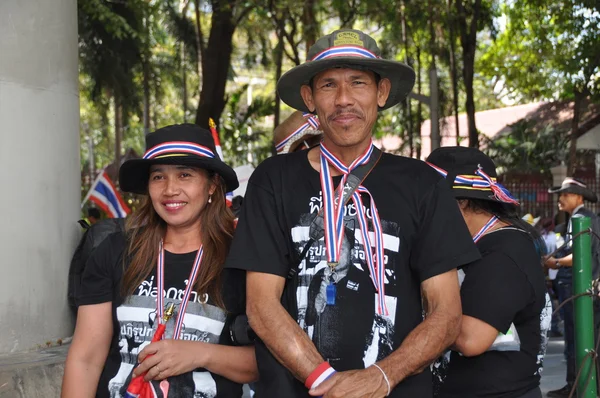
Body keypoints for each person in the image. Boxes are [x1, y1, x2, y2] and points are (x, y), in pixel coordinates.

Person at [226, 28, 481, 398]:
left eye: (358, 82)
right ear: (309, 98)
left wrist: (381, 376)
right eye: (328, 85)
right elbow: (261, 305)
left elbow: (446, 312)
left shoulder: (422, 183)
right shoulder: (273, 179)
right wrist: (326, 383)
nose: (344, 99)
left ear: (381, 93)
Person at [62, 124, 257, 398]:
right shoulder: (114, 251)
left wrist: (201, 353)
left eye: (185, 175)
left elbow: (263, 364)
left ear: (212, 185)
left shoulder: (242, 258)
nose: (170, 190)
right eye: (158, 177)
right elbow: (85, 359)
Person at [426, 147, 550, 398]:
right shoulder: (475, 246)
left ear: (461, 202)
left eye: (430, 204)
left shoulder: (504, 252)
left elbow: (470, 339)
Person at [544, 177, 600, 397]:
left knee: (580, 338)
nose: (560, 199)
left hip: (581, 287)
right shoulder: (572, 219)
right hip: (569, 285)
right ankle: (573, 384)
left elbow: (580, 254)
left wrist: (555, 262)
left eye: (565, 194)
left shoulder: (584, 218)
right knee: (572, 339)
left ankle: (579, 385)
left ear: (578, 196)